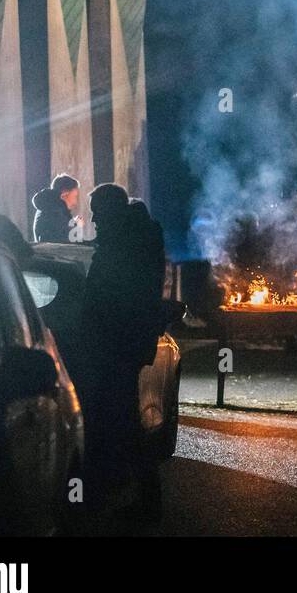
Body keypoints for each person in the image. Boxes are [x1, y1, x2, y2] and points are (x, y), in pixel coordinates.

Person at [83, 184, 167, 520]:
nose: (94, 218)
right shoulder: (134, 239)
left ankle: (144, 503)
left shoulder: (125, 246)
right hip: (122, 343)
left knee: (123, 423)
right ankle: (131, 497)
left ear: (111, 210)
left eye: (97, 210)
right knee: (120, 422)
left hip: (116, 344)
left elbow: (111, 298)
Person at [31, 173, 81, 243]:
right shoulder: (54, 212)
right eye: (74, 196)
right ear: (64, 194)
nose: (75, 202)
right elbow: (69, 246)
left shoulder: (48, 208)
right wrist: (76, 227)